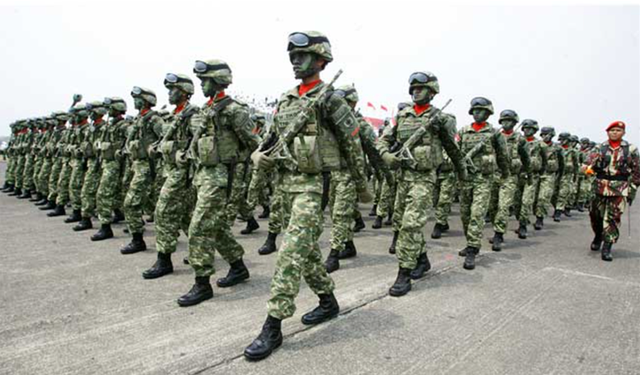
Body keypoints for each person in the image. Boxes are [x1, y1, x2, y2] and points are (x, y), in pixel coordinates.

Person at [244, 31, 372, 361]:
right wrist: (258, 154)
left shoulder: (330, 99)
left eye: (302, 57)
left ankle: (272, 325)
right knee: (306, 252)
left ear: (320, 60)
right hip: (286, 185)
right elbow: (271, 137)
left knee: (289, 254)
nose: (295, 62)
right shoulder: (286, 99)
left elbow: (352, 144)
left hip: (314, 186)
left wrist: (361, 186)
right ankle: (328, 301)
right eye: (292, 57)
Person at [175, 59, 259, 307]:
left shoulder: (233, 110)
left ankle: (202, 283)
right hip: (203, 176)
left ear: (218, 80)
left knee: (199, 227)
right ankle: (238, 266)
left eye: (206, 81)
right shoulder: (206, 109)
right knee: (217, 226)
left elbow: (255, 143)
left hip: (221, 179)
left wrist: (244, 170)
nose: (202, 85)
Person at [378, 71, 465, 296]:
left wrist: (463, 173)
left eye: (421, 88)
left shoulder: (441, 119)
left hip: (424, 178)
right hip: (403, 178)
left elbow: (453, 149)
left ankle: (403, 273)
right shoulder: (403, 115)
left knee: (410, 224)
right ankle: (422, 259)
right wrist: (386, 155)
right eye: (414, 88)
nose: (416, 91)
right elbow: (383, 140)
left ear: (433, 92)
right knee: (401, 221)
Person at [142, 73, 198, 279]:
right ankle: (198, 252)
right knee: (186, 217)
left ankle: (164, 260)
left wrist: (182, 155)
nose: (169, 93)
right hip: (171, 171)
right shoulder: (175, 115)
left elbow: (202, 145)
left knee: (163, 212)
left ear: (184, 92)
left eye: (173, 89)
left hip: (183, 174)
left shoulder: (192, 116)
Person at [457, 97, 510, 270]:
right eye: (476, 110)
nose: (478, 113)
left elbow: (503, 156)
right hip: (466, 179)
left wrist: (504, 175)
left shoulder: (494, 133)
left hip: (484, 179)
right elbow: (455, 152)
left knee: (477, 213)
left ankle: (473, 247)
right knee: (465, 213)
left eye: (482, 110)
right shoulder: (464, 131)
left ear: (488, 113)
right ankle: (469, 241)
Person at [585, 121, 639, 261]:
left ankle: (607, 246)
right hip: (600, 186)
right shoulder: (599, 148)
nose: (615, 132)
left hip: (619, 188)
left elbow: (637, 171)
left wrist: (632, 190)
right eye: (612, 130)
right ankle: (598, 235)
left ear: (623, 133)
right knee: (595, 215)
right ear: (607, 132)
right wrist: (588, 168)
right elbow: (587, 164)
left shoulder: (631, 149)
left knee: (612, 218)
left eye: (618, 130)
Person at [120, 87, 164, 254]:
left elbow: (166, 137)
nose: (134, 101)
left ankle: (138, 240)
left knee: (131, 203)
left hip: (149, 168)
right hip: (137, 166)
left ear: (146, 100)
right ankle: (138, 238)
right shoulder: (140, 119)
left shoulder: (154, 120)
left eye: (138, 98)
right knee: (149, 205)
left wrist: (155, 149)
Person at [90, 97, 130, 241]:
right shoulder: (109, 125)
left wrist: (122, 150)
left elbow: (131, 141)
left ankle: (105, 226)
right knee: (114, 193)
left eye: (111, 108)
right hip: (107, 163)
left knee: (103, 194)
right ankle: (118, 215)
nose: (108, 111)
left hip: (116, 164)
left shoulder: (124, 126)